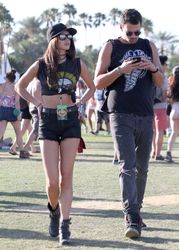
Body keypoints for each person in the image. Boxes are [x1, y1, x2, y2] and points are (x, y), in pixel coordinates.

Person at [15, 23, 95, 245]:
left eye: (69, 36)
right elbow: (20, 87)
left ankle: (65, 225)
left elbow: (92, 87)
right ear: (53, 40)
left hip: (70, 121)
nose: (67, 39)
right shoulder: (41, 65)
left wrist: (81, 101)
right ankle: (53, 211)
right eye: (62, 36)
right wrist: (36, 102)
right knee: (52, 182)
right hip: (48, 121)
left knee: (66, 176)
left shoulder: (77, 63)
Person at [94, 9, 164, 238]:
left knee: (143, 169)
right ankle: (131, 215)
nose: (134, 36)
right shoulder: (111, 46)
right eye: (129, 32)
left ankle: (137, 211)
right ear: (120, 27)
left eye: (137, 32)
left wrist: (152, 67)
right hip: (120, 114)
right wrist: (120, 70)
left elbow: (160, 80)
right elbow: (97, 82)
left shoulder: (148, 45)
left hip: (145, 114)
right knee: (128, 165)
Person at [0, 69, 28, 158]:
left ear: (7, 78)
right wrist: (19, 114)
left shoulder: (2, 86)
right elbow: (17, 102)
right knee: (18, 133)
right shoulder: (15, 87)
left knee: (0, 132)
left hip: (2, 110)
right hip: (13, 111)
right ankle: (22, 152)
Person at [151, 55, 169, 160]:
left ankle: (153, 152)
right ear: (161, 64)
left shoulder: (150, 74)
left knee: (153, 131)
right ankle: (158, 154)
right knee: (160, 131)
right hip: (160, 107)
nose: (166, 66)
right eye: (166, 64)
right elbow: (163, 95)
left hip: (149, 106)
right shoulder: (162, 76)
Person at [165, 66, 179, 162]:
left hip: (174, 111)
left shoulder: (171, 84)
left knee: (173, 133)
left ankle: (168, 154)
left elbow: (168, 98)